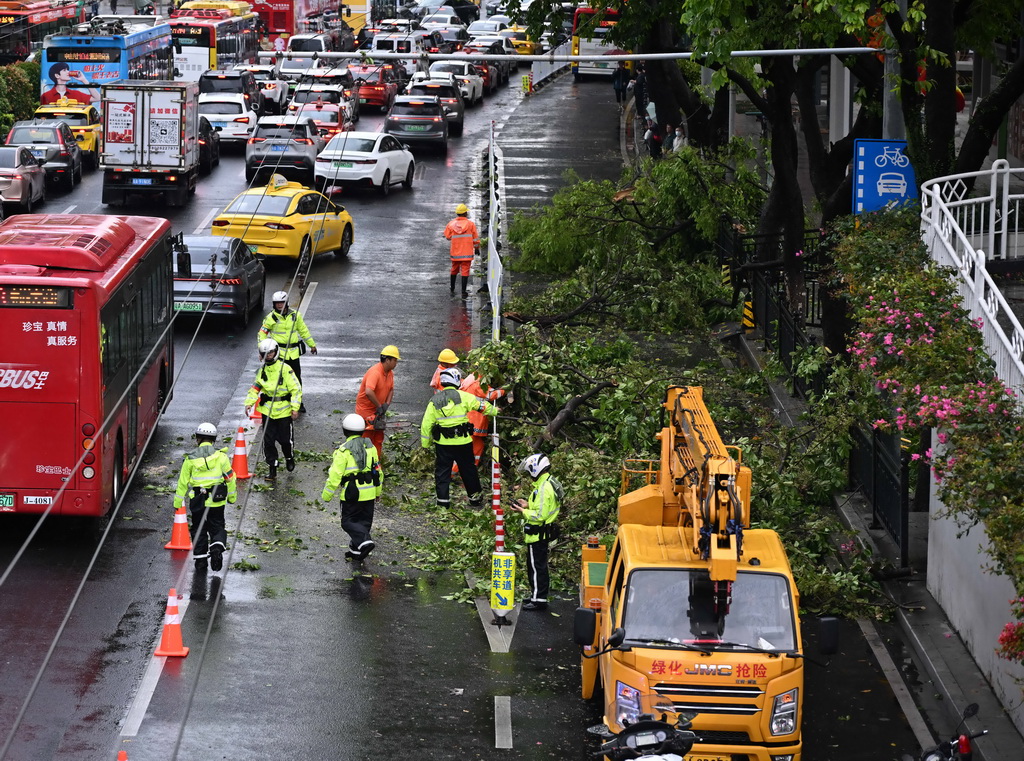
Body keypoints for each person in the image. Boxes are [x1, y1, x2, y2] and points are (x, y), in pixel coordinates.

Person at [420, 367, 498, 509]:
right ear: (455, 381)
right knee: (468, 470)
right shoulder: (464, 396)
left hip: (443, 444)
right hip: (463, 442)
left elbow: (426, 423)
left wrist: (426, 443)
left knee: (442, 472)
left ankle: (443, 503)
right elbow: (482, 406)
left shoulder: (434, 401)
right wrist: (495, 411)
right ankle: (475, 499)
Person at [173, 422, 237, 572]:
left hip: (198, 501)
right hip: (217, 501)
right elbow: (230, 478)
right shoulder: (221, 457)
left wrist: (177, 502)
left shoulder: (190, 459)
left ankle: (201, 562)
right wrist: (232, 497)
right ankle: (216, 548)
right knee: (217, 527)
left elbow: (182, 483)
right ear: (214, 439)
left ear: (197, 438)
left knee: (198, 529)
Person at [321, 413, 383, 561]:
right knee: (364, 522)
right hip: (369, 492)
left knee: (348, 521)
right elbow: (378, 471)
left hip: (352, 493)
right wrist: (378, 491)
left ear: (344, 431)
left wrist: (327, 495)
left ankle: (365, 541)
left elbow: (335, 475)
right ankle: (356, 552)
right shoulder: (371, 447)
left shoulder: (342, 451)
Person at [511, 453, 562, 611]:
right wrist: (527, 505)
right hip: (542, 533)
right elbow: (542, 507)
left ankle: (538, 599)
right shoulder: (547, 483)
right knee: (537, 566)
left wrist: (522, 511)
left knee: (536, 566)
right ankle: (536, 595)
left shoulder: (543, 488)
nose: (529, 476)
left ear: (535, 470)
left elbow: (540, 515)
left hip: (537, 534)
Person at [244, 339, 302, 480]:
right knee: (268, 442)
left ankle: (289, 457)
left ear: (276, 352)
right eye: (265, 353)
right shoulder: (262, 370)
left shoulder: (285, 369)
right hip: (267, 411)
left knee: (285, 440)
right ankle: (272, 467)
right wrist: (249, 403)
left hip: (284, 411)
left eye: (270, 353)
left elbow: (296, 389)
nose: (268, 356)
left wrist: (295, 408)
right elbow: (255, 388)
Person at [257, 291, 317, 412]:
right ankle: (279, 401)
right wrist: (262, 351)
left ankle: (298, 403)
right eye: (277, 303)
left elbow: (303, 330)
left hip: (293, 354)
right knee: (279, 379)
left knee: (297, 379)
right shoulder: (270, 318)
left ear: (287, 303)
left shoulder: (295, 315)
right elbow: (261, 334)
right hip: (278, 354)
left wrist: (312, 345)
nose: (280, 305)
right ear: (274, 304)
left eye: (282, 302)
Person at [355, 345, 400, 459]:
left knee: (378, 438)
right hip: (366, 410)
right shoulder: (375, 372)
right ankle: (364, 463)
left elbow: (391, 389)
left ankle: (376, 461)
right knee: (367, 438)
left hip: (378, 410)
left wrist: (386, 404)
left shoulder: (390, 373)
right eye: (395, 360)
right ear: (388, 360)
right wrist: (379, 405)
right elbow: (369, 391)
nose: (396, 363)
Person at [443, 203, 480, 298]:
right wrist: (476, 248)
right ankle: (463, 291)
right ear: (465, 213)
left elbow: (447, 236)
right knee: (465, 271)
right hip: (467, 253)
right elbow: (475, 239)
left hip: (455, 253)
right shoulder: (470, 224)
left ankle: (452, 287)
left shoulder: (451, 224)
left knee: (454, 269)